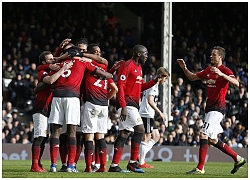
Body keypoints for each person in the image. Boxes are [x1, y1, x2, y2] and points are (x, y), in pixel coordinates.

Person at [177, 46, 246, 174]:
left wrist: (222, 74)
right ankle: (238, 159)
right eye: (211, 54)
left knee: (203, 134)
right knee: (212, 140)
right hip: (209, 108)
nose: (211, 56)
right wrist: (184, 68)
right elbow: (192, 77)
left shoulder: (225, 70)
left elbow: (236, 83)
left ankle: (200, 168)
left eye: (213, 55)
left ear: (220, 57)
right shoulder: (209, 70)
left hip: (218, 107)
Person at [48, 46, 113, 173]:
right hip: (73, 97)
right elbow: (103, 74)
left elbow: (49, 74)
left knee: (56, 131)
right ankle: (71, 166)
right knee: (73, 132)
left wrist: (53, 63)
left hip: (57, 96)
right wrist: (110, 74)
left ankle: (53, 165)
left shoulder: (61, 63)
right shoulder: (83, 63)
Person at [108, 45, 165, 173]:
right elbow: (120, 86)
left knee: (124, 134)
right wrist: (122, 106)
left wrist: (155, 80)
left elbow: (140, 87)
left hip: (133, 103)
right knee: (140, 129)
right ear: (138, 54)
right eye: (145, 54)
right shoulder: (127, 65)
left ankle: (114, 165)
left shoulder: (139, 68)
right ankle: (133, 163)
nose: (147, 56)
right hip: (126, 103)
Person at [30, 51, 72, 172]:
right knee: (39, 137)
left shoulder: (49, 69)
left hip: (48, 109)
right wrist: (63, 69)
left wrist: (60, 48)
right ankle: (34, 165)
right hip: (40, 107)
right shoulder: (43, 72)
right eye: (49, 60)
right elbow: (50, 80)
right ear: (44, 62)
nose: (53, 61)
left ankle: (38, 163)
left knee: (44, 137)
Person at [82, 43, 118, 172]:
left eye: (98, 51)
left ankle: (88, 167)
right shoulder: (104, 67)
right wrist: (107, 98)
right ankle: (102, 166)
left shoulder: (87, 65)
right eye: (95, 51)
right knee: (100, 136)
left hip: (92, 103)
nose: (97, 53)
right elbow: (115, 88)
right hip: (103, 105)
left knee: (89, 136)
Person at [138, 67, 170, 168]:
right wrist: (160, 112)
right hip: (146, 114)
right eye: (165, 79)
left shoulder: (154, 84)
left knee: (156, 137)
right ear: (162, 76)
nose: (165, 81)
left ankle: (139, 156)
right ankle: (141, 162)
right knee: (147, 136)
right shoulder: (154, 86)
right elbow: (150, 100)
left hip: (149, 115)